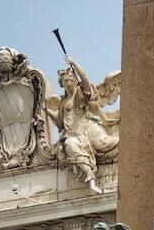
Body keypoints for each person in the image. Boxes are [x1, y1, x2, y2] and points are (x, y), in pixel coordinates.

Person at [47, 56, 119, 192]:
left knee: (105, 143)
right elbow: (59, 122)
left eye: (70, 80)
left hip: (87, 128)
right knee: (70, 145)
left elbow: (85, 79)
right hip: (72, 134)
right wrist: (47, 111)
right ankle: (89, 175)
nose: (68, 83)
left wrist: (74, 63)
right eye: (65, 81)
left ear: (75, 81)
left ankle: (132, 142)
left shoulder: (80, 93)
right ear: (61, 84)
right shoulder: (63, 101)